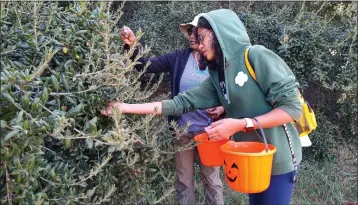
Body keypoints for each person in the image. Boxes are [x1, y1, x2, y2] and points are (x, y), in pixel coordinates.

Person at [104, 9, 303, 205]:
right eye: (196, 38)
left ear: (220, 35)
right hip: (250, 160)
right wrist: (124, 107)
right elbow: (179, 103)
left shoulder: (256, 56)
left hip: (278, 160)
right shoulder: (217, 75)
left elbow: (292, 108)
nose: (198, 45)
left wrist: (240, 124)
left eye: (202, 37)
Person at [118, 14, 225, 205]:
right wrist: (132, 44)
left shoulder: (217, 61)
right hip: (181, 130)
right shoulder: (178, 57)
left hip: (210, 132)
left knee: (212, 180)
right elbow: (145, 65)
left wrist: (222, 108)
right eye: (190, 32)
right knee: (184, 181)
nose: (192, 36)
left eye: (196, 32)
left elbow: (230, 93)